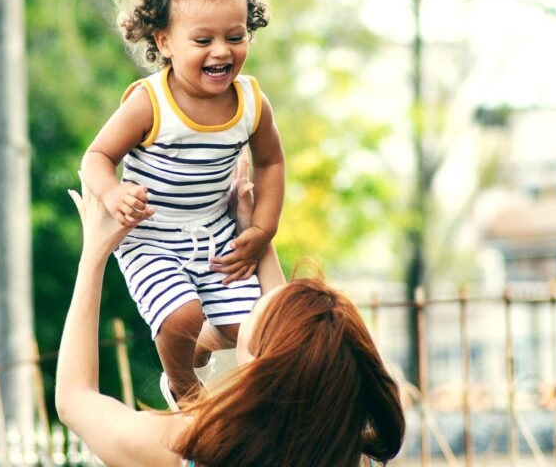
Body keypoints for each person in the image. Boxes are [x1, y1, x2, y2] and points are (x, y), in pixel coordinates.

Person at [56, 175, 406, 467]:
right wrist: (252, 232)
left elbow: (75, 400)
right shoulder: (347, 454)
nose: (251, 302)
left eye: (255, 310)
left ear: (258, 366)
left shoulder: (188, 448)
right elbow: (294, 349)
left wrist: (94, 255)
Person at [80, 0, 285, 408]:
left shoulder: (252, 102)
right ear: (164, 41)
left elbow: (272, 164)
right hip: (151, 235)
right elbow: (96, 156)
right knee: (180, 317)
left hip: (214, 231)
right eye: (203, 40)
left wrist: (262, 230)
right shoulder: (150, 103)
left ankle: (198, 346)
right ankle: (184, 389)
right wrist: (112, 193)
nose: (222, 51)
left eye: (235, 36)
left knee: (247, 328)